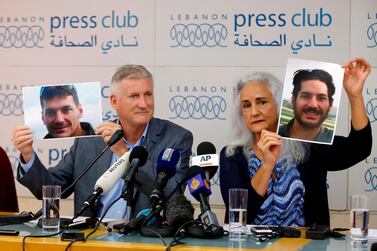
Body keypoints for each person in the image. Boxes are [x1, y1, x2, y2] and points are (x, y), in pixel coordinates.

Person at [12, 65, 193, 219]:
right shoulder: (90, 140)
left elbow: (171, 196)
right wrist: (28, 155)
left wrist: (123, 152)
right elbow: (51, 189)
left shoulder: (176, 138)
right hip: (91, 238)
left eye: (148, 94)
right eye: (134, 96)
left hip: (144, 238)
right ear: (114, 101)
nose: (144, 104)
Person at [220, 58, 372, 226]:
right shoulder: (232, 154)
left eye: (262, 102)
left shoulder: (308, 143)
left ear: (279, 104)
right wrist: (267, 165)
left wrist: (355, 96)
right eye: (246, 106)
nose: (254, 112)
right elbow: (239, 212)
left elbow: (360, 147)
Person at [278, 69, 336, 143]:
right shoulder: (273, 134)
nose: (313, 105)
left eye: (321, 98)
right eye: (305, 96)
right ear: (293, 100)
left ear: (330, 105)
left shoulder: (336, 141)